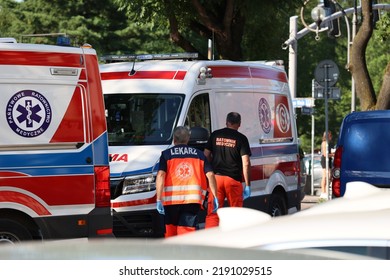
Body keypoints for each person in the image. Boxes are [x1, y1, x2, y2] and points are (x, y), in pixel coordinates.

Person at [155, 126, 218, 237]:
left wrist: (158, 198)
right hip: (192, 200)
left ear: (174, 139)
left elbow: (160, 175)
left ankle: (172, 253)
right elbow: (211, 175)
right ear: (188, 139)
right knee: (188, 232)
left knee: (171, 231)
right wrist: (215, 196)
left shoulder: (166, 155)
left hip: (171, 202)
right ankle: (187, 253)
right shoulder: (199, 154)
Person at [204, 112, 251, 228]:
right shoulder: (241, 138)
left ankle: (210, 238)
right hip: (233, 180)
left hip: (216, 180)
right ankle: (233, 240)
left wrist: (210, 170)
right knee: (235, 214)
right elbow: (246, 163)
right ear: (239, 124)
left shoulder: (215, 135)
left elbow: (205, 155)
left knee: (213, 211)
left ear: (226, 122)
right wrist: (248, 184)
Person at [320, 131, 334, 199]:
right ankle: (323, 192)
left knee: (329, 176)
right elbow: (325, 154)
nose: (331, 137)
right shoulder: (324, 143)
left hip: (329, 160)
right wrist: (333, 154)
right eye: (330, 135)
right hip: (325, 160)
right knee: (325, 176)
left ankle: (326, 191)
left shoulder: (329, 143)